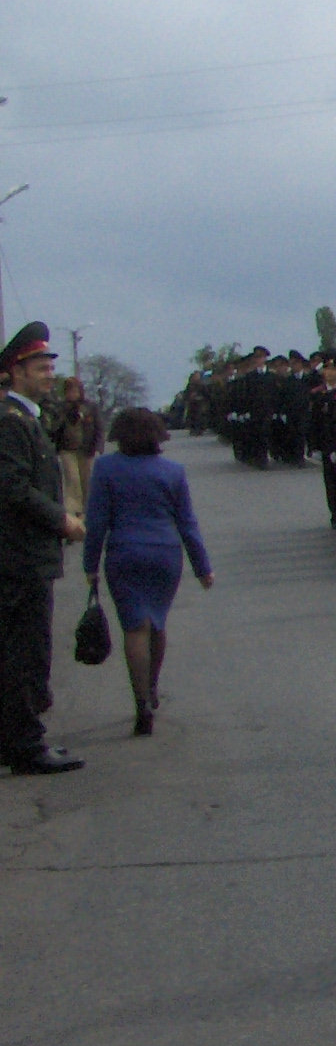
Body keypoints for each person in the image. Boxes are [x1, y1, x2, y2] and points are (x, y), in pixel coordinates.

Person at [81, 408, 213, 735]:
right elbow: (187, 523)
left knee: (133, 628)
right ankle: (153, 687)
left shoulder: (106, 468)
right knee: (156, 622)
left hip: (124, 553)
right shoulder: (173, 471)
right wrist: (202, 567)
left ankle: (140, 704)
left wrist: (90, 564)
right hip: (164, 554)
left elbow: (97, 521)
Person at [0, 324, 87, 774]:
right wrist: (61, 520)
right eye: (40, 367)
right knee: (23, 652)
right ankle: (25, 745)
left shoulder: (27, 418)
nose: (49, 374)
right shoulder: (9, 422)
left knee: (21, 650)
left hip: (27, 555)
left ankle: (13, 738)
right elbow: (12, 488)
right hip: (19, 558)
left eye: (52, 366)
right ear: (16, 371)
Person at [45, 374, 103, 516]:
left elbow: (98, 428)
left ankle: (87, 509)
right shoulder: (60, 407)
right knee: (72, 479)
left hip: (87, 449)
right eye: (70, 391)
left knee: (87, 480)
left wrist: (98, 447)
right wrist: (64, 415)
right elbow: (54, 428)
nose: (73, 394)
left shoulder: (90, 406)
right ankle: (74, 511)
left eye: (75, 391)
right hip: (67, 449)